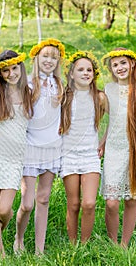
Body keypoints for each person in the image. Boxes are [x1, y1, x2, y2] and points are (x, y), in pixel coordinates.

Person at [100, 47, 136, 248]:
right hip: (114, 149)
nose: (119, 67)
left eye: (123, 63)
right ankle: (112, 241)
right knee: (111, 201)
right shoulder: (108, 89)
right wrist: (102, 142)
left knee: (131, 199)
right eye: (115, 65)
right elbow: (114, 120)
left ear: (132, 63)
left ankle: (124, 244)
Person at [13, 38, 65, 255]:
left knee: (43, 198)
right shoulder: (28, 85)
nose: (49, 60)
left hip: (53, 147)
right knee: (27, 203)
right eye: (45, 56)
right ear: (36, 58)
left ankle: (39, 250)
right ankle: (19, 238)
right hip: (30, 146)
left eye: (54, 57)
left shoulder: (60, 85)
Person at [0, 50, 33, 257]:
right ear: (0, 74)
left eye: (14, 68)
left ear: (21, 67)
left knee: (4, 210)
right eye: (6, 71)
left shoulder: (29, 92)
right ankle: (0, 254)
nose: (12, 74)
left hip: (15, 158)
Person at [60, 51, 106, 244]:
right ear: (71, 74)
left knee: (89, 203)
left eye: (89, 70)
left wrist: (103, 142)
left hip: (90, 154)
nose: (86, 73)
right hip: (68, 155)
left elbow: (118, 120)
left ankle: (85, 244)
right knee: (74, 203)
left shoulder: (100, 97)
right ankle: (73, 244)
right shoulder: (64, 96)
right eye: (80, 69)